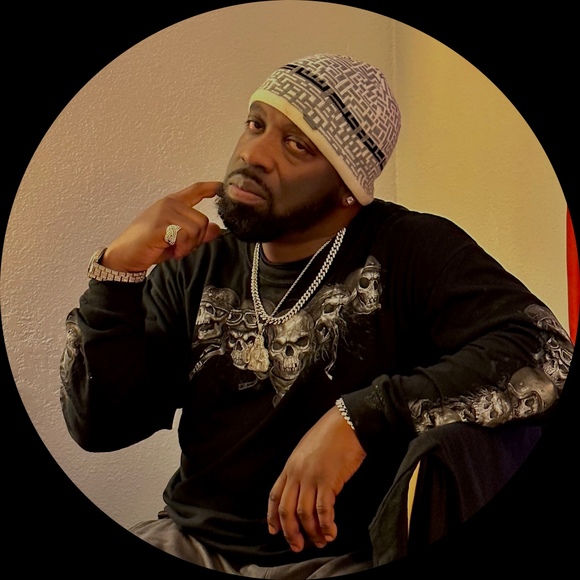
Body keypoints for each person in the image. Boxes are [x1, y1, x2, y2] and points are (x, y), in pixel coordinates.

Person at [59, 54, 573, 577]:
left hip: (340, 558)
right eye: (256, 124)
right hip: (192, 540)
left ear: (350, 187)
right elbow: (100, 427)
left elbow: (547, 352)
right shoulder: (198, 261)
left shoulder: (410, 249)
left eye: (297, 145)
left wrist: (360, 419)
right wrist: (116, 273)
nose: (254, 154)